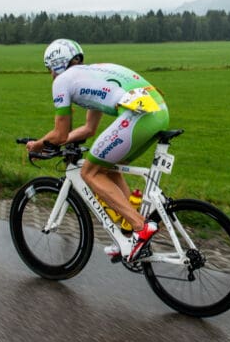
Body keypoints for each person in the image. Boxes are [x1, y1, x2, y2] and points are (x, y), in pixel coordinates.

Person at [26, 39, 170, 262]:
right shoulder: (90, 75)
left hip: (141, 116)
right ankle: (129, 233)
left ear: (57, 65)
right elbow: (88, 129)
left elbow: (60, 134)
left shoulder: (63, 81)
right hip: (158, 112)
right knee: (107, 166)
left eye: (49, 70)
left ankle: (140, 227)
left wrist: (38, 144)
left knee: (89, 172)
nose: (51, 76)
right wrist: (58, 142)